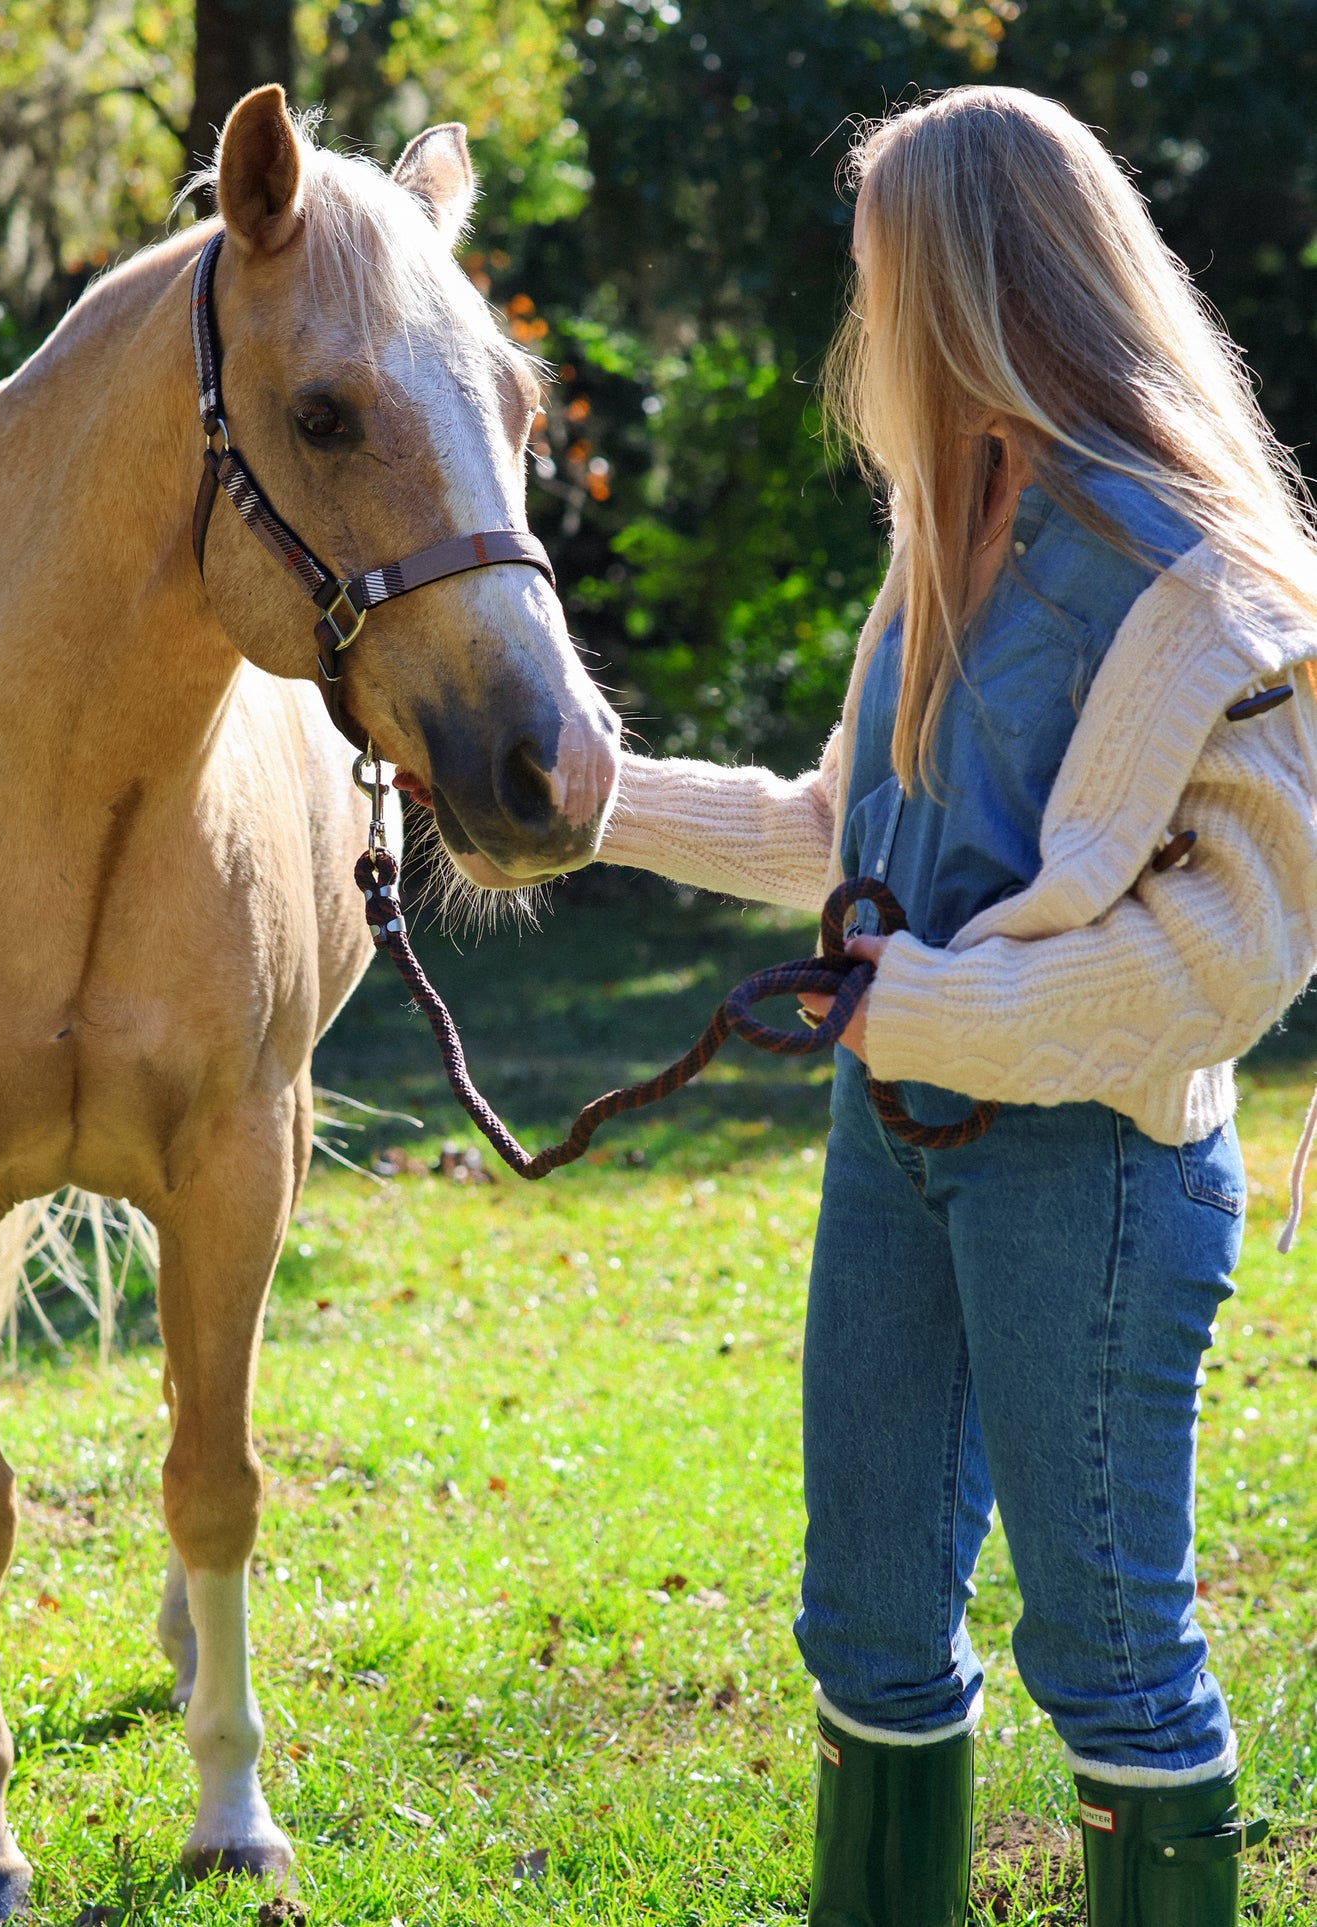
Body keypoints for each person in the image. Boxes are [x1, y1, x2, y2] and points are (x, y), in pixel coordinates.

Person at [594, 86, 1317, 1927]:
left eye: (875, 277)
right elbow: (843, 835)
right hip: (893, 1155)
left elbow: (1236, 955)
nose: (861, 323)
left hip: (1088, 1181)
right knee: (865, 1623)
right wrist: (581, 801)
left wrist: (924, 1019)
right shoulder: (938, 536)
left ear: (972, 282)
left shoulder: (1202, 583)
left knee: (1106, 1655)